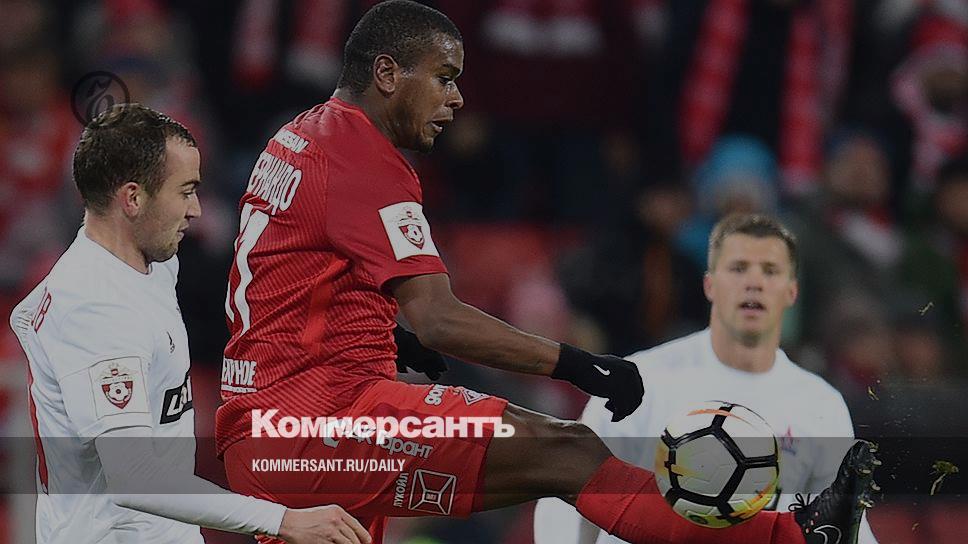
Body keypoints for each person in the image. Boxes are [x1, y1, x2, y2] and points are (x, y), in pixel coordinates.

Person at [215, 2, 878, 544]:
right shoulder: (365, 159)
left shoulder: (298, 137)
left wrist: (388, 339)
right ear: (387, 72)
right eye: (444, 78)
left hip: (271, 430)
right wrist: (576, 365)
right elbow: (440, 317)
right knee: (567, 452)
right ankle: (793, 536)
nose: (457, 98)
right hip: (320, 425)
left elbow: (291, 281)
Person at [9, 103, 371, 544]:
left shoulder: (150, 262)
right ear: (133, 198)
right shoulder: (95, 310)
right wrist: (283, 521)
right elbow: (135, 478)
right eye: (184, 192)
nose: (196, 209)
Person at [533, 213, 879, 543]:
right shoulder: (643, 380)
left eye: (770, 271)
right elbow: (568, 484)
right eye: (738, 268)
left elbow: (841, 528)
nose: (754, 283)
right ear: (710, 285)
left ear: (792, 291)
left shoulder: (820, 404)